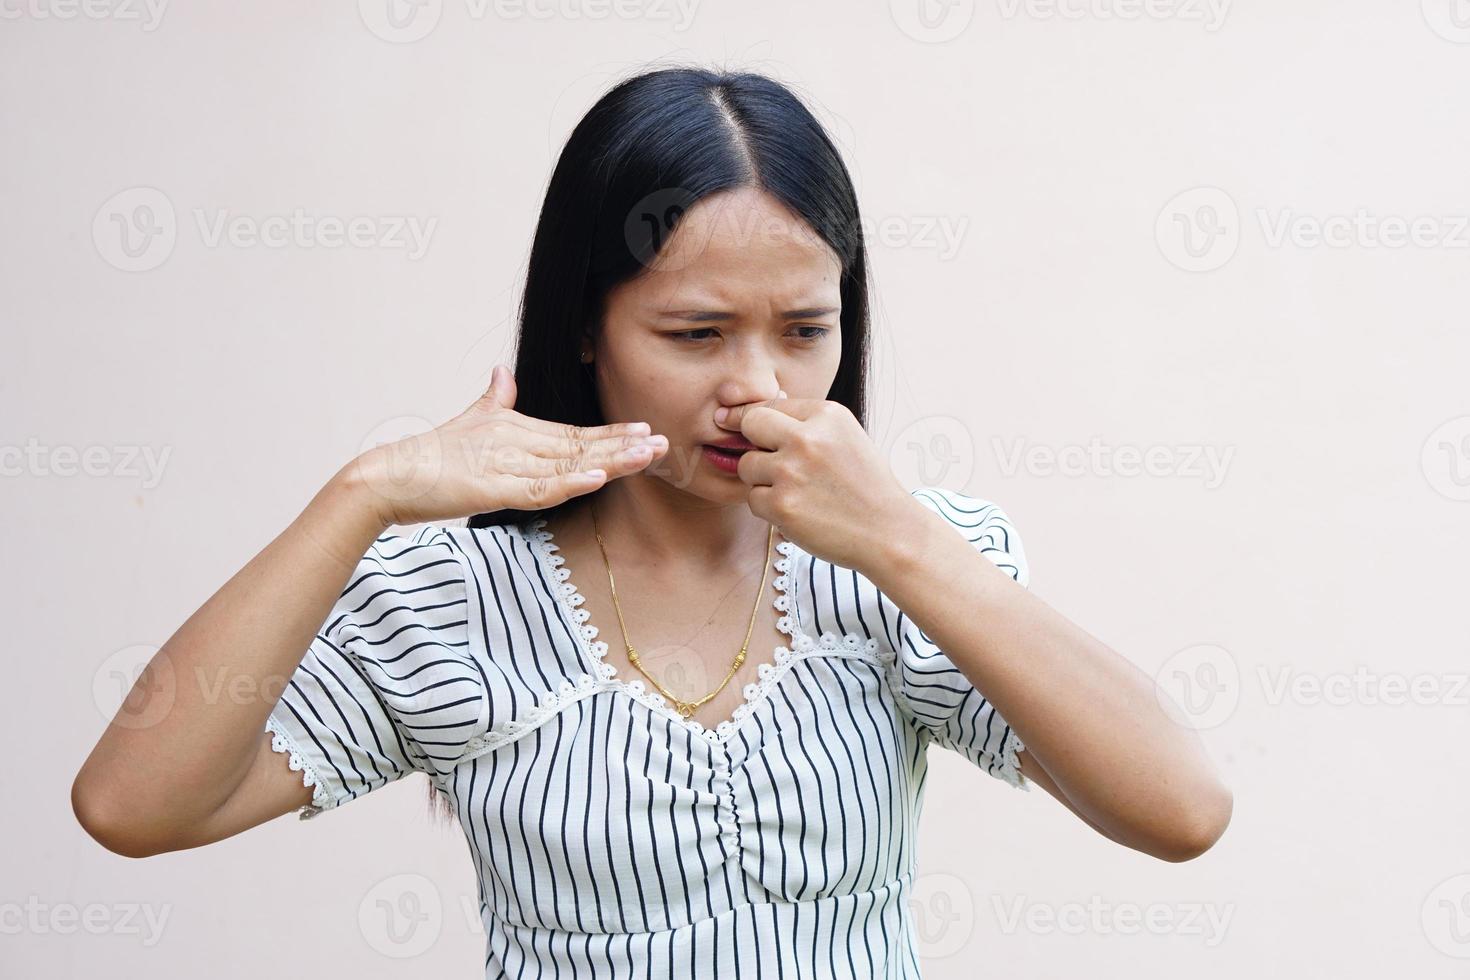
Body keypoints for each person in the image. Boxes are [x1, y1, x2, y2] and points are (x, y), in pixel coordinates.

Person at [71, 65, 1232, 977]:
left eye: (804, 329)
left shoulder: (909, 565)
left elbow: (1182, 808)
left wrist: (902, 542)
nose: (759, 386)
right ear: (587, 327)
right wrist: (363, 492)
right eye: (694, 333)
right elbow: (131, 806)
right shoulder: (451, 603)